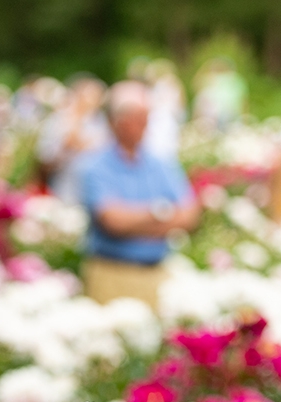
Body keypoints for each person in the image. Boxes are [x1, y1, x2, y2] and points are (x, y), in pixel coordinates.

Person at [79, 81, 201, 310]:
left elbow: (190, 215)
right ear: (117, 122)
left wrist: (137, 222)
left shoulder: (161, 163)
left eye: (146, 118)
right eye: (138, 118)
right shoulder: (95, 166)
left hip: (155, 273)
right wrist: (161, 214)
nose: (145, 125)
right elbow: (112, 222)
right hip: (111, 274)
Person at [37, 75, 109, 203]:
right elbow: (45, 157)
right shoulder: (57, 120)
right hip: (64, 184)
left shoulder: (101, 123)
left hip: (96, 188)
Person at [193, 59, 247, 130]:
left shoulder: (235, 80)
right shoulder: (212, 79)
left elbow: (196, 84)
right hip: (215, 114)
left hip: (227, 113)